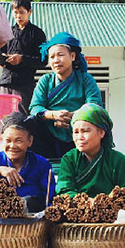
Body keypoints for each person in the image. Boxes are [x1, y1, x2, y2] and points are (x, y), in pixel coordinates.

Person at [29, 32, 103, 160]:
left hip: (79, 130)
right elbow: (35, 107)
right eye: (52, 57)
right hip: (50, 131)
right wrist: (54, 115)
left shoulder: (85, 79)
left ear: (73, 56)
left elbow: (94, 105)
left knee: (98, 120)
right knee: (30, 122)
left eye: (60, 55)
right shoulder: (45, 80)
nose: (56, 60)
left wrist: (72, 117)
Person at [0, 112, 55, 212]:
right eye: (8, 140)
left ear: (30, 141)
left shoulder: (42, 165)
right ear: (1, 140)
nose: (12, 146)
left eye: (18, 141)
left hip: (33, 223)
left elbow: (49, 199)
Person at [56, 104, 125, 196]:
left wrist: (103, 204)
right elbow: (64, 190)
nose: (79, 137)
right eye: (76, 132)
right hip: (77, 208)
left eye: (85, 131)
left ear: (101, 132)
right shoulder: (70, 159)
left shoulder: (120, 161)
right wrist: (88, 203)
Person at [0, 0, 46, 112]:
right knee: (4, 116)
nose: (18, 16)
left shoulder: (37, 34)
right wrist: (2, 61)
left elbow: (43, 60)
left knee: (23, 118)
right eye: (15, 12)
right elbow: (1, 52)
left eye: (22, 12)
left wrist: (22, 59)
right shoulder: (8, 31)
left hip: (24, 84)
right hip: (5, 82)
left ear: (30, 12)